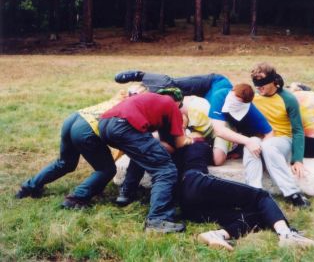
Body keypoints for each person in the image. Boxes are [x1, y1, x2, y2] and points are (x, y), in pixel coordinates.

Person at [116, 83, 274, 207]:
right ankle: (127, 190)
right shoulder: (162, 109)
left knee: (217, 159)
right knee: (146, 146)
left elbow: (216, 130)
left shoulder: (196, 109)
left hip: (215, 130)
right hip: (190, 132)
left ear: (178, 103)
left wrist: (192, 140)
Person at [177, 141, 314, 251]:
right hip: (196, 181)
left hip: (186, 205)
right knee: (261, 196)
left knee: (260, 217)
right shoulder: (199, 144)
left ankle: (218, 235)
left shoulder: (174, 148)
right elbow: (218, 158)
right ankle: (287, 235)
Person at [114, 71, 266, 165]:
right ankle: (140, 76)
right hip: (213, 83)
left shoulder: (236, 114)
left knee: (172, 98)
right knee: (172, 86)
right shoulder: (222, 97)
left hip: (204, 112)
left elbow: (221, 133)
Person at [98, 88, 193, 233]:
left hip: (104, 125)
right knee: (165, 170)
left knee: (143, 155)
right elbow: (179, 143)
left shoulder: (150, 101)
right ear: (179, 102)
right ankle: (158, 219)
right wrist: (191, 140)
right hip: (125, 126)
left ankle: (126, 194)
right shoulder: (172, 106)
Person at [15, 90, 129, 208]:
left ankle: (28, 188)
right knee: (106, 170)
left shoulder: (120, 97)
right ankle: (76, 199)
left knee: (65, 163)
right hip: (86, 129)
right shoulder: (132, 109)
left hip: (74, 118)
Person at [246, 62, 310, 208]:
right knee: (250, 146)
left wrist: (298, 159)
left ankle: (293, 193)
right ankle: (254, 193)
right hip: (261, 138)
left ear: (273, 81)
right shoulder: (253, 98)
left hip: (282, 140)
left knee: (268, 146)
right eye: (256, 84)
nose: (258, 87)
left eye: (262, 84)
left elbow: (298, 130)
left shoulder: (288, 99)